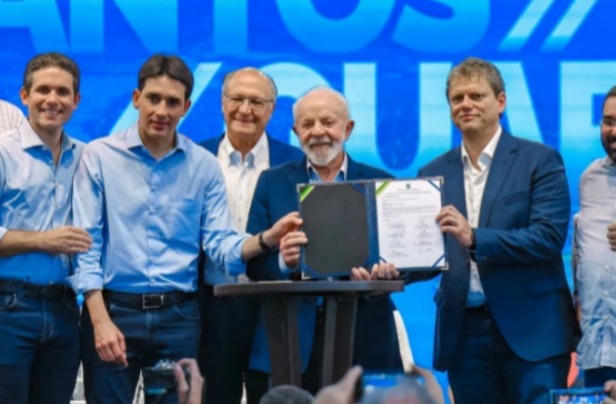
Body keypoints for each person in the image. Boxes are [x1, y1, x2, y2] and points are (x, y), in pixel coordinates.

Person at [69, 54, 301, 403]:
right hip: (114, 313)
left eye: (173, 102)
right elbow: (86, 246)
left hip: (178, 321)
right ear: (136, 99)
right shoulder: (99, 156)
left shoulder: (204, 166)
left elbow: (220, 243)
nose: (162, 111)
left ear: (186, 107)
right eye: (153, 98)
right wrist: (99, 320)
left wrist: (267, 239)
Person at [417, 57, 578, 403]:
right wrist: (389, 269)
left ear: (501, 101)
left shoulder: (540, 160)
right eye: (457, 98)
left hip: (533, 333)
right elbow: (426, 252)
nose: (466, 104)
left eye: (476, 96)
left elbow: (548, 238)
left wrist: (474, 237)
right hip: (465, 335)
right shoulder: (431, 173)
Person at [246, 86, 403, 398]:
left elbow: (405, 257)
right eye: (307, 124)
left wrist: (390, 272)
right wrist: (283, 261)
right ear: (296, 132)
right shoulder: (271, 182)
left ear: (348, 128)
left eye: (328, 122)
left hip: (365, 336)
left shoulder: (382, 182)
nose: (318, 132)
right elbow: (253, 264)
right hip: (289, 338)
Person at [198, 67, 303, 404]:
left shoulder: (296, 162)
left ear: (271, 109)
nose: (245, 109)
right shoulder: (196, 158)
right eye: (237, 99)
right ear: (222, 103)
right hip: (211, 305)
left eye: (256, 102)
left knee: (273, 397)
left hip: (274, 302)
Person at [0, 52, 91, 403]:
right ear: (24, 96)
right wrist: (42, 240)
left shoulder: (87, 157)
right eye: (43, 90)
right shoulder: (4, 153)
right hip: (8, 308)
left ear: (76, 100)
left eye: (62, 92)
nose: (52, 100)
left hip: (65, 309)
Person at [573, 85, 616, 387]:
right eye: (609, 121)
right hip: (597, 350)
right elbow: (582, 250)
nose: (614, 131)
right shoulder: (590, 178)